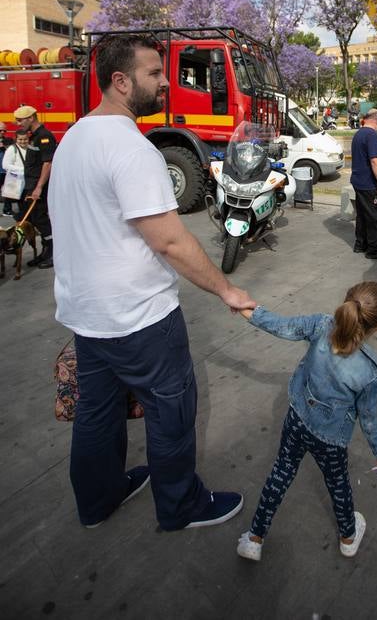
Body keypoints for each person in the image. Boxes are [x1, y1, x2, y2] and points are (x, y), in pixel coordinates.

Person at [48, 34, 257, 530]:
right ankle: (180, 505)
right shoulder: (131, 148)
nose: (166, 82)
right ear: (120, 82)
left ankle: (98, 501)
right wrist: (227, 290)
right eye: (153, 73)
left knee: (97, 414)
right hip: (138, 317)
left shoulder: (75, 137)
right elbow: (171, 242)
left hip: (86, 315)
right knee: (172, 409)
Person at [235, 281, 377, 562]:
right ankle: (348, 537)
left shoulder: (321, 325)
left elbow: (280, 326)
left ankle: (254, 538)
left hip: (297, 418)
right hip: (331, 439)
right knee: (337, 484)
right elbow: (369, 420)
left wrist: (248, 310)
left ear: (346, 303)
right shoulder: (370, 371)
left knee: (281, 472)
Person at [13, 105, 57, 268]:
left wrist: (38, 188)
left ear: (31, 118)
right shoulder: (34, 136)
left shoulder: (44, 136)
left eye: (20, 120)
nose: (18, 123)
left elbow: (48, 163)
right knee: (34, 220)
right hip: (31, 186)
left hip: (40, 187)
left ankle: (53, 254)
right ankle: (45, 252)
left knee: (42, 219)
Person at [350, 108, 377, 259]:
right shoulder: (371, 135)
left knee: (362, 214)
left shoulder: (359, 133)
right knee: (375, 216)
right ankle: (374, 249)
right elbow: (375, 160)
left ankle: (361, 244)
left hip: (359, 182)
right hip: (370, 184)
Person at [1, 130, 29, 216]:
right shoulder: (12, 149)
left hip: (27, 180)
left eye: (25, 139)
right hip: (17, 180)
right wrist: (23, 169)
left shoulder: (30, 147)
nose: (23, 141)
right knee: (22, 206)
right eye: (20, 139)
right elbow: (5, 165)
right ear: (16, 139)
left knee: (26, 206)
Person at [0, 122, 15, 215]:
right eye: (0, 130)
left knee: (8, 191)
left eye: (4, 130)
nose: (2, 132)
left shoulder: (7, 140)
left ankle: (7, 209)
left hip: (6, 170)